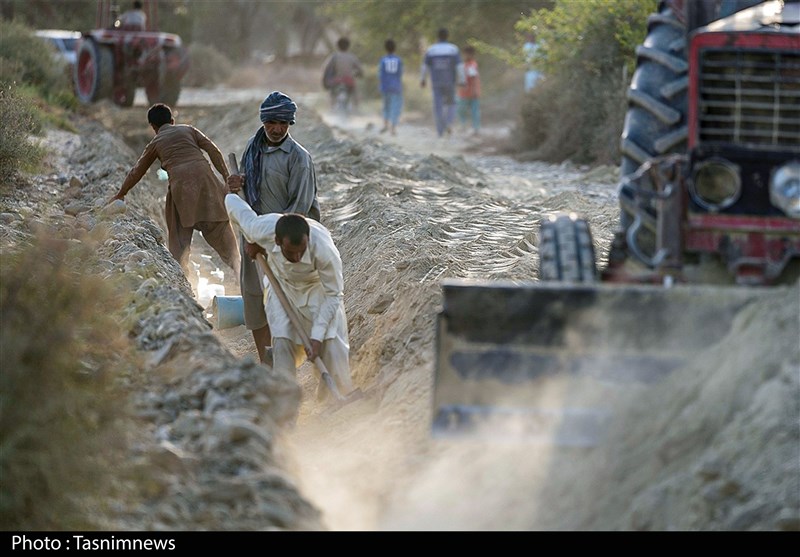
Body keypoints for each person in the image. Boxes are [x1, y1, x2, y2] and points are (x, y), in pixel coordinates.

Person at [224, 195, 353, 399]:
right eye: (291, 253)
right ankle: (286, 401)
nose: (296, 258)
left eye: (301, 252)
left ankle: (337, 395)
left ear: (307, 240)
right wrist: (252, 241)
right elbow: (231, 200)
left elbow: (333, 295)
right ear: (276, 241)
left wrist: (317, 338)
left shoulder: (325, 251)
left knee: (331, 341)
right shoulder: (261, 229)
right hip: (280, 286)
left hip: (316, 289)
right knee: (282, 340)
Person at [226, 91, 321, 365]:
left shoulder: (299, 158)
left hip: (287, 245)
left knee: (285, 305)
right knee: (256, 302)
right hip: (254, 241)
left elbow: (299, 211)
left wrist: (271, 242)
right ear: (263, 122)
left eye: (283, 123)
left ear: (290, 124)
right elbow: (247, 190)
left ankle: (287, 366)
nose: (277, 129)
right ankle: (265, 362)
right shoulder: (252, 148)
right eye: (272, 123)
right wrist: (236, 184)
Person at [112, 103, 240, 276]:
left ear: (153, 127)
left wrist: (121, 193)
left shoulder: (156, 142)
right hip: (208, 184)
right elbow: (214, 151)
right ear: (172, 121)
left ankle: (183, 279)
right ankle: (244, 276)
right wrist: (226, 178)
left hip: (181, 191)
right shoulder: (189, 130)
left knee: (179, 243)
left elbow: (137, 171)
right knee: (226, 242)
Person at [420, 27, 464, 138]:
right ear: (447, 36)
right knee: (452, 104)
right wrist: (462, 80)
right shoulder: (453, 49)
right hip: (450, 82)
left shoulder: (431, 50)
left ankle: (440, 131)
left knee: (438, 106)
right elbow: (459, 66)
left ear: (438, 37)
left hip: (436, 82)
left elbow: (425, 66)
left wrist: (423, 79)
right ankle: (449, 123)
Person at [322, 37, 364, 110]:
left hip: (336, 81)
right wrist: (359, 74)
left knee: (332, 94)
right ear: (348, 46)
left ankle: (331, 108)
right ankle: (356, 109)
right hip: (349, 81)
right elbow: (360, 69)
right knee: (356, 93)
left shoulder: (334, 57)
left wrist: (325, 80)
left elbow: (326, 68)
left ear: (338, 46)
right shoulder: (352, 57)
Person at [378, 38, 403, 135]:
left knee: (386, 106)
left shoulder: (383, 60)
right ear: (395, 48)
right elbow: (400, 73)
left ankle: (385, 124)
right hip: (396, 86)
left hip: (385, 86)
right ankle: (393, 127)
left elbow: (380, 74)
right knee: (395, 107)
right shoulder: (398, 60)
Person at [456, 45, 481, 135]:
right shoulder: (464, 65)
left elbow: (473, 78)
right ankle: (464, 125)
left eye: (467, 54)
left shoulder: (472, 65)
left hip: (471, 93)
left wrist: (474, 91)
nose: (465, 56)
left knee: (474, 111)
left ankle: (476, 128)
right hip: (463, 92)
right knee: (461, 110)